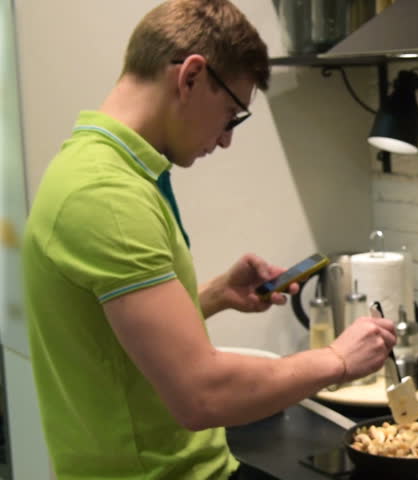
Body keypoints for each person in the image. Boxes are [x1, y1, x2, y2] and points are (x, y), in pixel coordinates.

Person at [20, 1, 396, 479]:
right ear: (192, 76)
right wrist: (338, 359)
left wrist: (213, 297)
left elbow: (114, 337)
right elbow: (202, 394)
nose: (225, 140)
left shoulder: (102, 168)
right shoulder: (106, 195)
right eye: (231, 114)